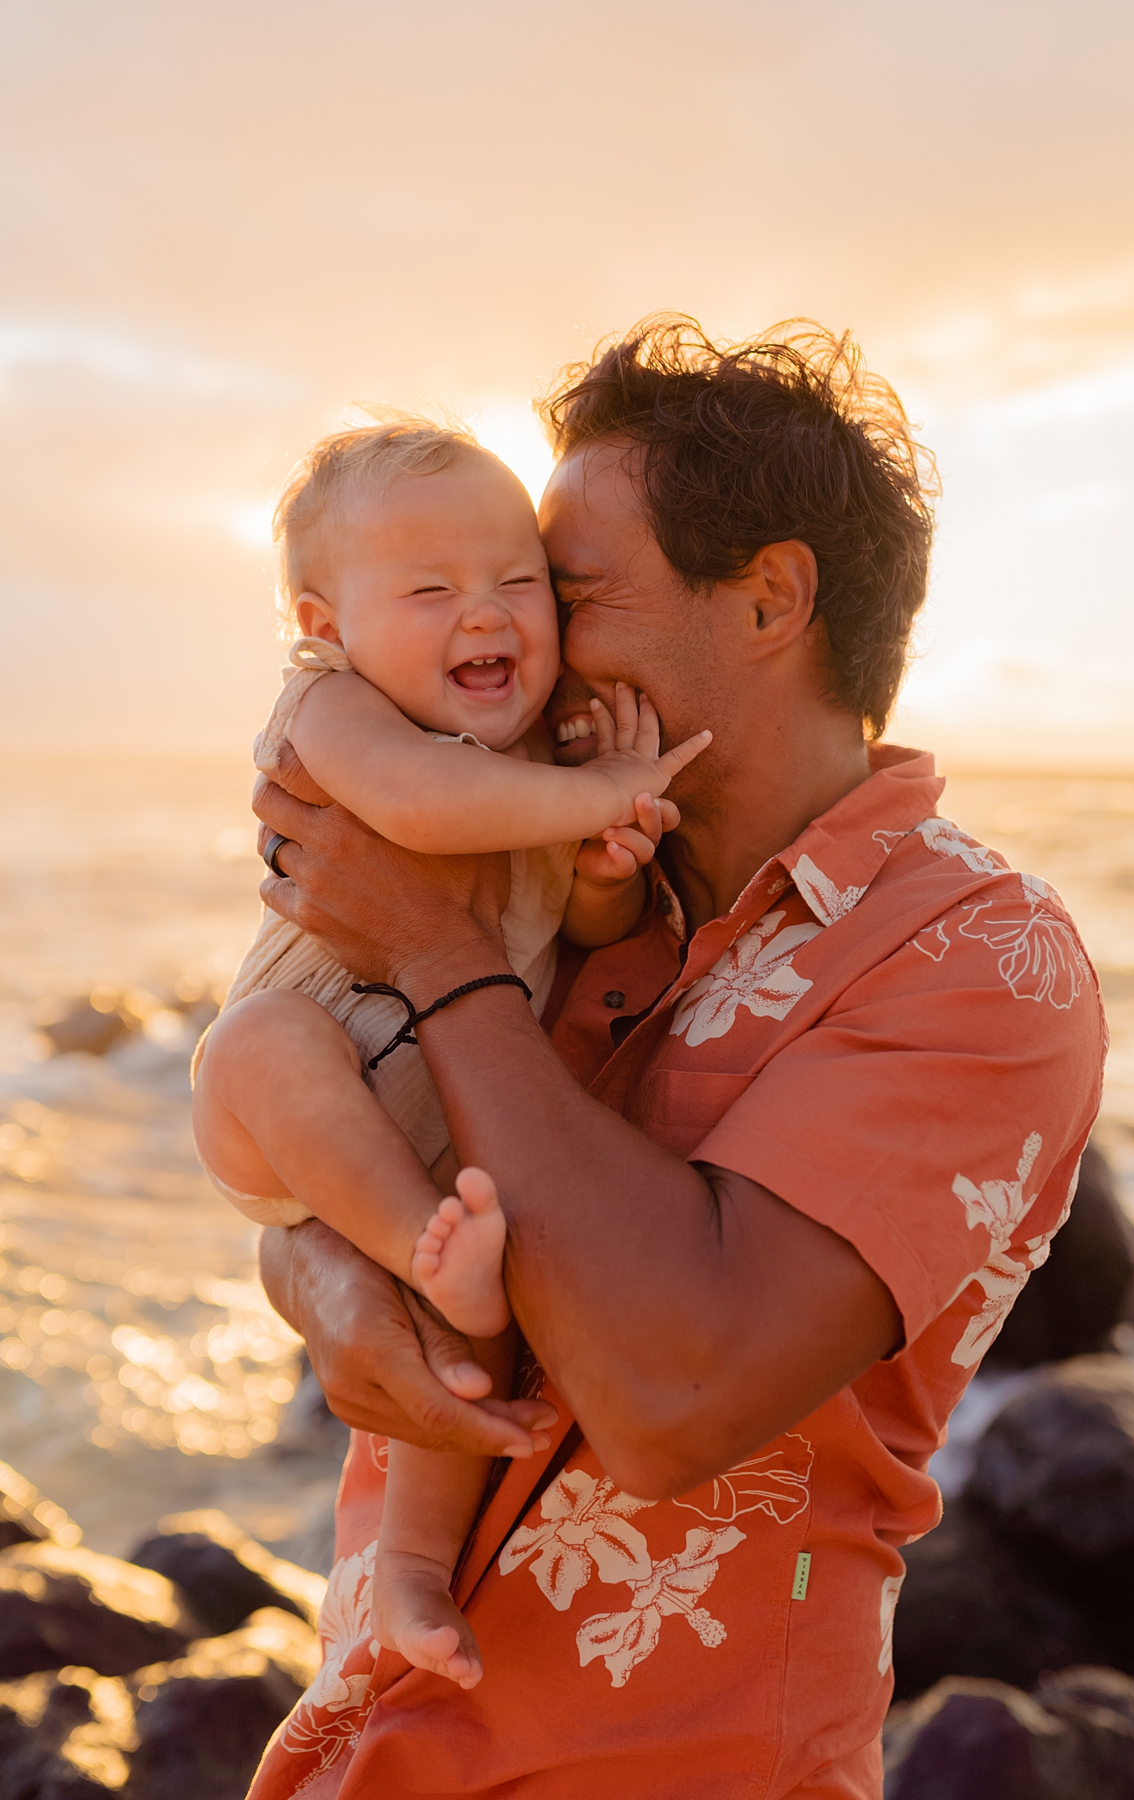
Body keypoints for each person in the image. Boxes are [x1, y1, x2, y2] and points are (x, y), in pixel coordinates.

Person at [246, 319, 1106, 1800]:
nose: (525, 641)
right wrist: (333, 1281)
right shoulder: (554, 881)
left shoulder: (980, 960)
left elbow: (670, 1393)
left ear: (770, 598)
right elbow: (323, 1190)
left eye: (564, 591)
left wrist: (435, 954)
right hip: (358, 1744)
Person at [192, 418, 709, 1688]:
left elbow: (580, 936)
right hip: (295, 1095)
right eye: (430, 591)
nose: (485, 613)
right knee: (262, 1041)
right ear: (327, 620)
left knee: (459, 1292)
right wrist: (601, 794)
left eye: (517, 580)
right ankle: (432, 1243)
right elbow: (425, 806)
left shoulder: (539, 760)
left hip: (433, 1112)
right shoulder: (333, 708)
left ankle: (416, 1573)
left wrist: (605, 873)